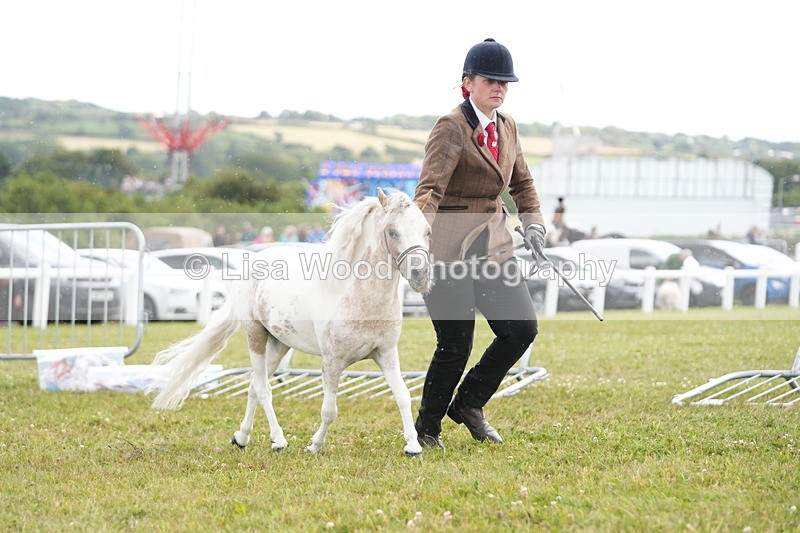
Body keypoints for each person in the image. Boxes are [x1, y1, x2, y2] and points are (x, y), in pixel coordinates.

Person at [412, 38, 546, 450]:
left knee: (520, 329)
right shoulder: (451, 126)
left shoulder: (507, 126)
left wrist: (535, 224)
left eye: (505, 82)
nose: (499, 88)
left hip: (494, 245)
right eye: (491, 80)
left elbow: (522, 182)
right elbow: (429, 189)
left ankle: (469, 403)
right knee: (455, 344)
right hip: (448, 249)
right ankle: (426, 429)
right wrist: (416, 243)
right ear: (467, 83)